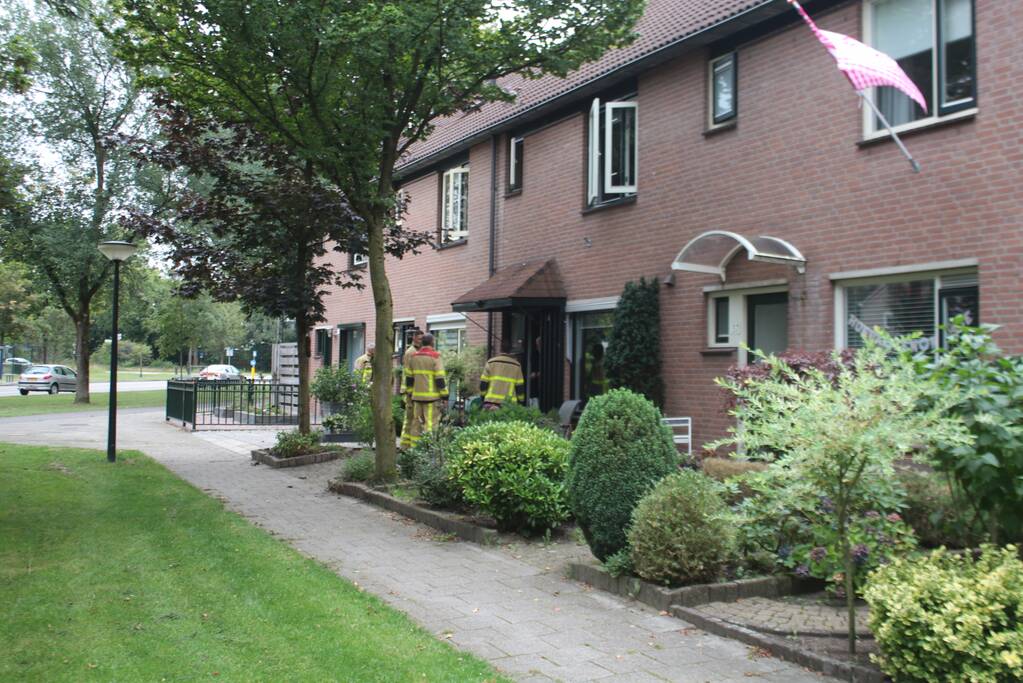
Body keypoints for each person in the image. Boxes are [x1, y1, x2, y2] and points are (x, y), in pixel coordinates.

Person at [405, 333, 447, 446]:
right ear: (432, 342)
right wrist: (445, 395)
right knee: (430, 425)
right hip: (431, 398)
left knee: (416, 424)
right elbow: (439, 378)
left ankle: (414, 450)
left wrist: (409, 393)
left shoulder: (413, 357)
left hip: (416, 398)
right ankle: (429, 451)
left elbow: (409, 377)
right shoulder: (435, 356)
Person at [398, 328, 423, 449]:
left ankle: (407, 446)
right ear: (414, 338)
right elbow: (408, 374)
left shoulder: (419, 351)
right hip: (409, 392)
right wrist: (409, 392)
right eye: (419, 339)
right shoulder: (410, 352)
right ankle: (406, 447)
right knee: (410, 419)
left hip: (414, 391)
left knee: (414, 419)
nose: (421, 341)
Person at [480, 344, 525, 409]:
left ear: (500, 350)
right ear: (510, 352)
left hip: (491, 402)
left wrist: (483, 397)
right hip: (509, 404)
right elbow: (520, 387)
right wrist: (521, 401)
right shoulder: (517, 365)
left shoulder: (491, 362)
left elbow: (483, 384)